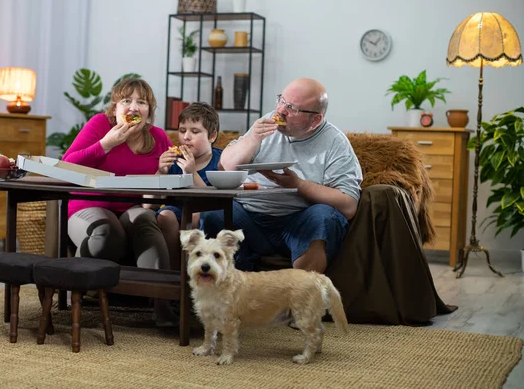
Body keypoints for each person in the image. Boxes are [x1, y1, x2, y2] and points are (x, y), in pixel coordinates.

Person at [201, 78, 363, 273]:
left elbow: (349, 204)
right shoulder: (269, 121)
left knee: (323, 216)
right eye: (282, 100)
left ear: (316, 120)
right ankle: (232, 294)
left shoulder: (335, 142)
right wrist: (253, 138)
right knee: (212, 214)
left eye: (292, 108)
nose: (281, 111)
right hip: (249, 217)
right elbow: (225, 166)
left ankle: (301, 295)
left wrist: (299, 185)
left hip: (297, 221)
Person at [62, 77, 176, 325]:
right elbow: (66, 165)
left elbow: (152, 202)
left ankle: (162, 306)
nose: (134, 107)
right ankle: (77, 297)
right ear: (115, 109)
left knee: (146, 219)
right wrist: (106, 144)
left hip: (132, 208)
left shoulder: (159, 138)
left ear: (149, 112)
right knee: (106, 231)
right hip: (87, 204)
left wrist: (162, 174)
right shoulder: (99, 125)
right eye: (127, 101)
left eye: (141, 102)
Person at [156, 102, 223, 269]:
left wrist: (192, 173)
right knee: (165, 215)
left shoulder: (221, 161)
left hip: (205, 211)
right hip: (176, 208)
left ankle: (192, 268)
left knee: (196, 215)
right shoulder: (173, 160)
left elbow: (216, 198)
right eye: (182, 130)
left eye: (195, 131)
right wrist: (161, 172)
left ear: (212, 136)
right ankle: (173, 269)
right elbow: (148, 202)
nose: (186, 137)